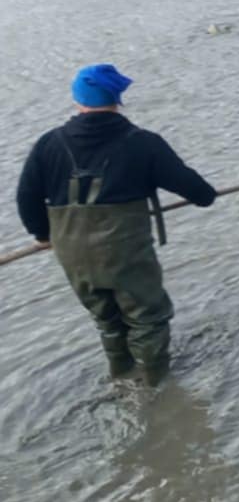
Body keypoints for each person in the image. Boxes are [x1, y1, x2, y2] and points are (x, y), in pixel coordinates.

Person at [14, 64, 218, 384]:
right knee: (147, 318)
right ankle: (156, 386)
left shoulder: (48, 144)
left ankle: (121, 377)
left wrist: (42, 234)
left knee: (107, 320)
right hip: (124, 252)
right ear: (117, 98)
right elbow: (198, 192)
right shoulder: (144, 143)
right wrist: (207, 195)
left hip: (73, 254)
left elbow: (26, 197)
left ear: (77, 99)